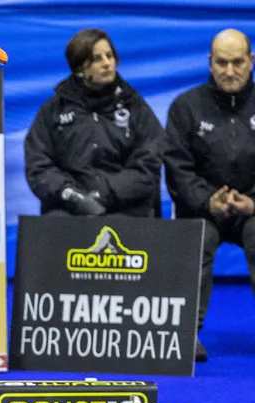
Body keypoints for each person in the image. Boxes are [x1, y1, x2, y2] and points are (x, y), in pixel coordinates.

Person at [164, 28, 255, 362]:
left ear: (251, 61)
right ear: (209, 62)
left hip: (253, 208)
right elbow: (176, 167)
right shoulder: (186, 107)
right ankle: (184, 335)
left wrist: (252, 202)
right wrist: (207, 200)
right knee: (197, 242)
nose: (229, 71)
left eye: (237, 62)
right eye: (221, 62)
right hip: (202, 208)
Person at [24, 29, 163, 218]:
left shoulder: (133, 105)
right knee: (54, 224)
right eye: (97, 59)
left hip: (125, 204)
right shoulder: (54, 110)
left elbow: (149, 160)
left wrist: (107, 192)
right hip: (70, 206)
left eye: (110, 56)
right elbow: (39, 165)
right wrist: (73, 195)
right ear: (79, 68)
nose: (107, 63)